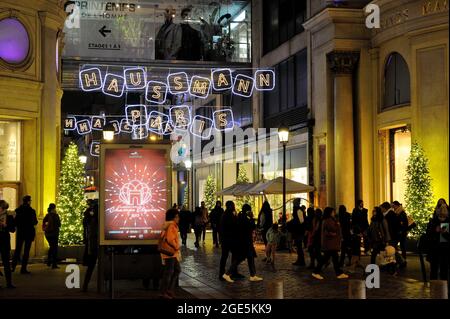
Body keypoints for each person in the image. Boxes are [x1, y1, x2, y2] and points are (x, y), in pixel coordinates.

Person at [223, 204, 263, 283]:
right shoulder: (244, 218)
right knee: (239, 259)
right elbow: (251, 227)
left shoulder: (240, 216)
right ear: (248, 211)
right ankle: (227, 274)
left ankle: (253, 275)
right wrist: (251, 218)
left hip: (244, 242)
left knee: (250, 258)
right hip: (245, 243)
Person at [312, 207, 349, 280]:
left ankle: (338, 273)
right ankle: (316, 272)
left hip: (331, 243)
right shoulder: (329, 220)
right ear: (329, 213)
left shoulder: (328, 220)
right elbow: (332, 229)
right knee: (326, 258)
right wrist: (338, 225)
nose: (334, 213)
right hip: (330, 243)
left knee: (333, 258)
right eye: (333, 212)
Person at [11, 195, 38, 274]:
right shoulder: (32, 211)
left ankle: (13, 266)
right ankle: (23, 269)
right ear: (29, 201)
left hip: (21, 232)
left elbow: (15, 221)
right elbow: (35, 222)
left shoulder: (18, 210)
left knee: (18, 249)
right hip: (29, 232)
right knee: (26, 251)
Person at [159, 208, 181, 299]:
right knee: (170, 272)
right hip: (170, 252)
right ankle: (164, 291)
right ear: (173, 217)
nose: (178, 218)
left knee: (176, 270)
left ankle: (169, 290)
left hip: (170, 252)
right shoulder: (172, 225)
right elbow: (170, 239)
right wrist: (176, 246)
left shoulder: (168, 225)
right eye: (177, 216)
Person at [425, 204, 449, 281]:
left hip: (445, 250)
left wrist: (444, 233)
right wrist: (435, 231)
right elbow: (428, 234)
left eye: (443, 216)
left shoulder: (447, 221)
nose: (442, 218)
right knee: (434, 270)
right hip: (434, 249)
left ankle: (443, 289)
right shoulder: (433, 221)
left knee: (444, 270)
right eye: (440, 216)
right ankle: (434, 288)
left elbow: (447, 238)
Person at [220, 201, 239, 281]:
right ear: (230, 206)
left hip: (226, 239)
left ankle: (231, 272)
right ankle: (224, 273)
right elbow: (233, 225)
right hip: (229, 239)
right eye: (233, 205)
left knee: (228, 256)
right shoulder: (228, 215)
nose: (234, 206)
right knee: (227, 256)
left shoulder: (226, 214)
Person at [82, 202, 98, 292]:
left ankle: (85, 285)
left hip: (92, 245)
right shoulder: (95, 220)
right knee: (92, 266)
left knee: (91, 267)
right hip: (95, 245)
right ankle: (85, 285)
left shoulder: (89, 219)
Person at [0, 200, 15, 288]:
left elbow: (13, 229)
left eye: (1, 208)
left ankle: (9, 283)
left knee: (6, 262)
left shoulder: (9, 217)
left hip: (4, 240)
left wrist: (6, 226)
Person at [43, 203, 61, 269]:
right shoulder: (56, 215)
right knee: (54, 248)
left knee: (51, 247)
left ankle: (49, 261)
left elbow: (44, 224)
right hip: (54, 234)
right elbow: (59, 224)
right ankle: (54, 264)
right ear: (54, 208)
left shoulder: (47, 215)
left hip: (47, 234)